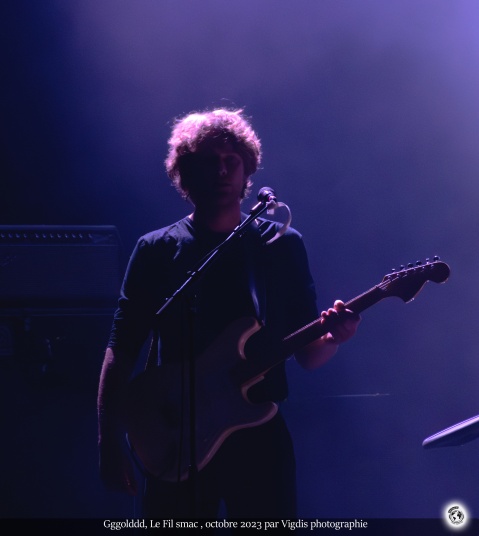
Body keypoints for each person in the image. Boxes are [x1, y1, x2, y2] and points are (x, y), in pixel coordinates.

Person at [97, 108, 360, 520]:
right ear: (186, 173)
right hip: (176, 432)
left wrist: (335, 337)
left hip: (258, 434)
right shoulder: (156, 250)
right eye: (208, 162)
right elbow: (122, 347)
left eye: (231, 161)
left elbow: (309, 356)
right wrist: (108, 442)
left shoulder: (281, 246)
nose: (221, 171)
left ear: (246, 170)